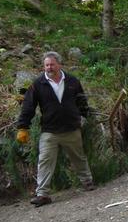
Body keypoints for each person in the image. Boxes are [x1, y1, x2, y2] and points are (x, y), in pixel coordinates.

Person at [16, 51, 94, 207]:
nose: (49, 67)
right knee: (44, 160)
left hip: (71, 128)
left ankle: (87, 182)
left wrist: (87, 116)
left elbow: (81, 101)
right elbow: (28, 106)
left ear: (59, 64)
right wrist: (23, 127)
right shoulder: (38, 84)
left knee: (78, 156)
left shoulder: (72, 81)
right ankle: (42, 194)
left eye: (51, 64)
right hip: (50, 130)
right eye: (46, 65)